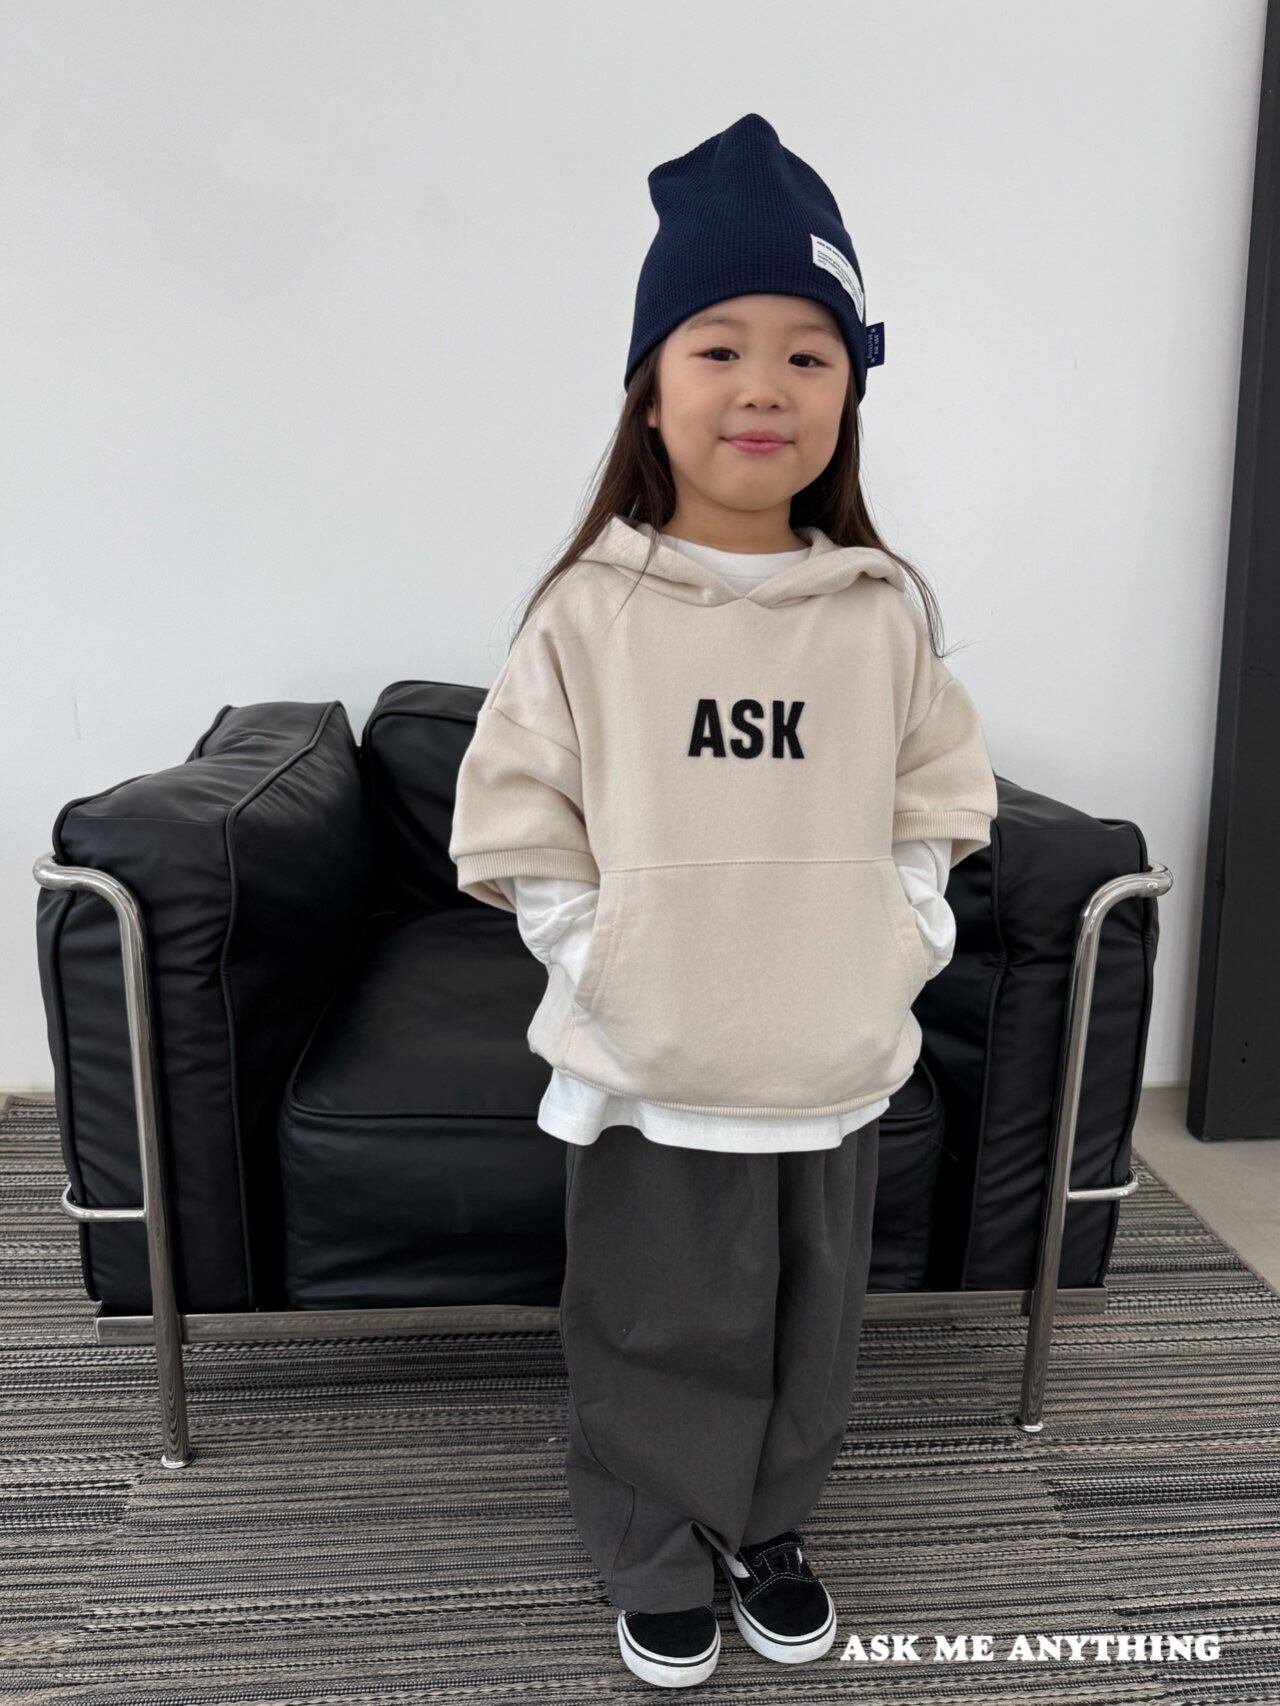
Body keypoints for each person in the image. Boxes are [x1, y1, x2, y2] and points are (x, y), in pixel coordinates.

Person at [448, 112, 998, 1689]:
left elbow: (940, 792)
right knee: (654, 1317)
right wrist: (604, 958)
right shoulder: (588, 612)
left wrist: (900, 934)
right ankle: (652, 1540)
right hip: (653, 1062)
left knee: (811, 1321)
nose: (764, 386)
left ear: (850, 390)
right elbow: (518, 813)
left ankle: (767, 1523)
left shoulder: (880, 614)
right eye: (720, 346)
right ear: (651, 384)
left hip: (829, 1055)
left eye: (809, 353)